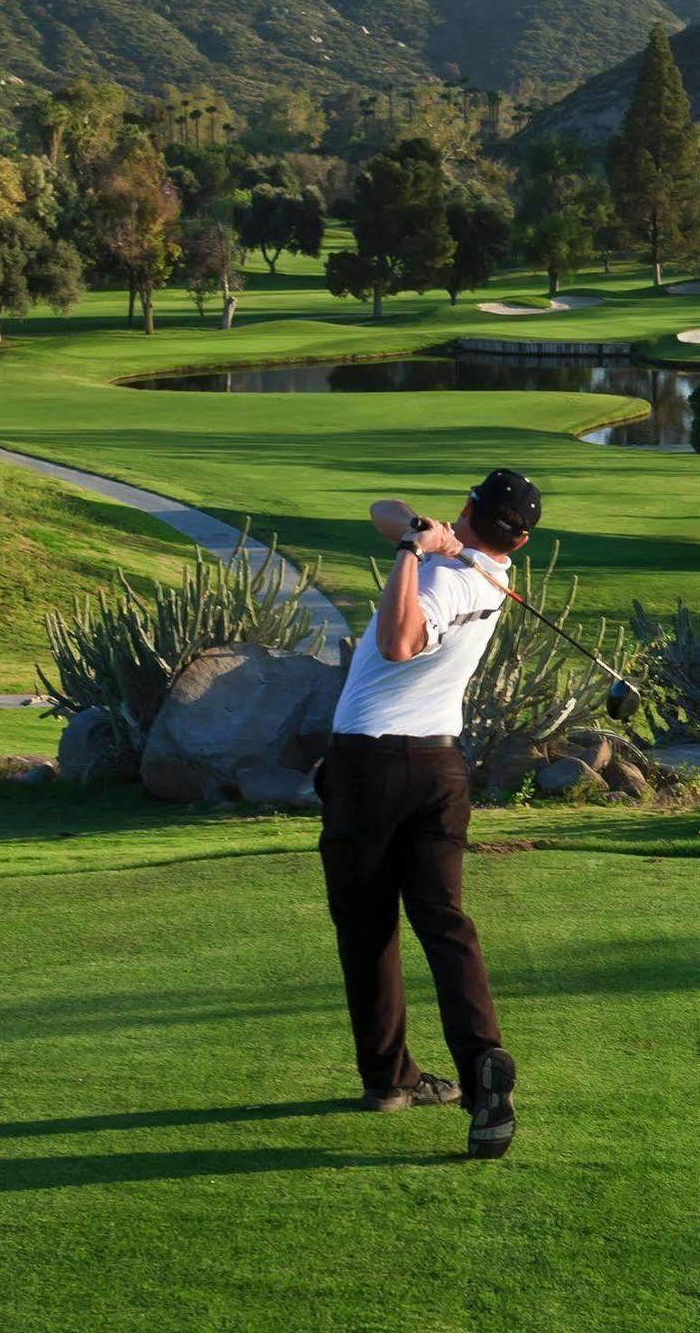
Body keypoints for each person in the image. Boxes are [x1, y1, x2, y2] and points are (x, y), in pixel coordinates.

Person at [318, 468, 542, 1160]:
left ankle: (387, 1077)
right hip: (441, 769)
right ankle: (481, 1066)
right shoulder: (491, 575)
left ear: (468, 506)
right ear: (521, 539)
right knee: (444, 924)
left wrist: (413, 555)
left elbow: (397, 644)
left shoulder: (442, 579)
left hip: (369, 763)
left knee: (366, 926)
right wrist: (419, 530)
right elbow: (380, 505)